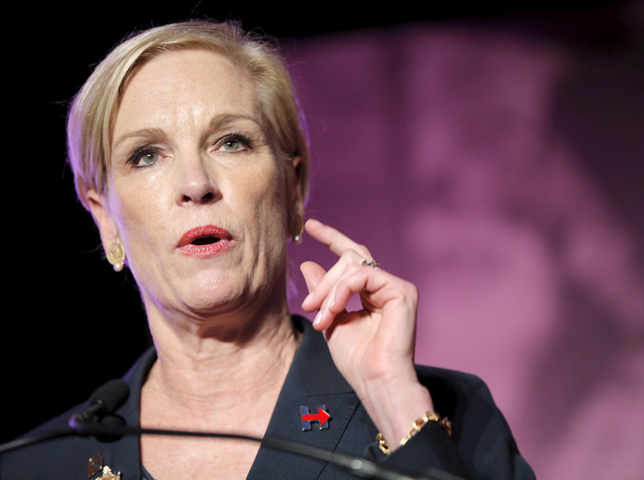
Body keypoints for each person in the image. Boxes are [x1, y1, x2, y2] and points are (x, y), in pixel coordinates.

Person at [0, 20, 533, 480]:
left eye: (231, 141)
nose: (196, 183)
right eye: (145, 155)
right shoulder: (36, 465)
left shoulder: (449, 415)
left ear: (292, 189)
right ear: (104, 218)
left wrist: (393, 403)